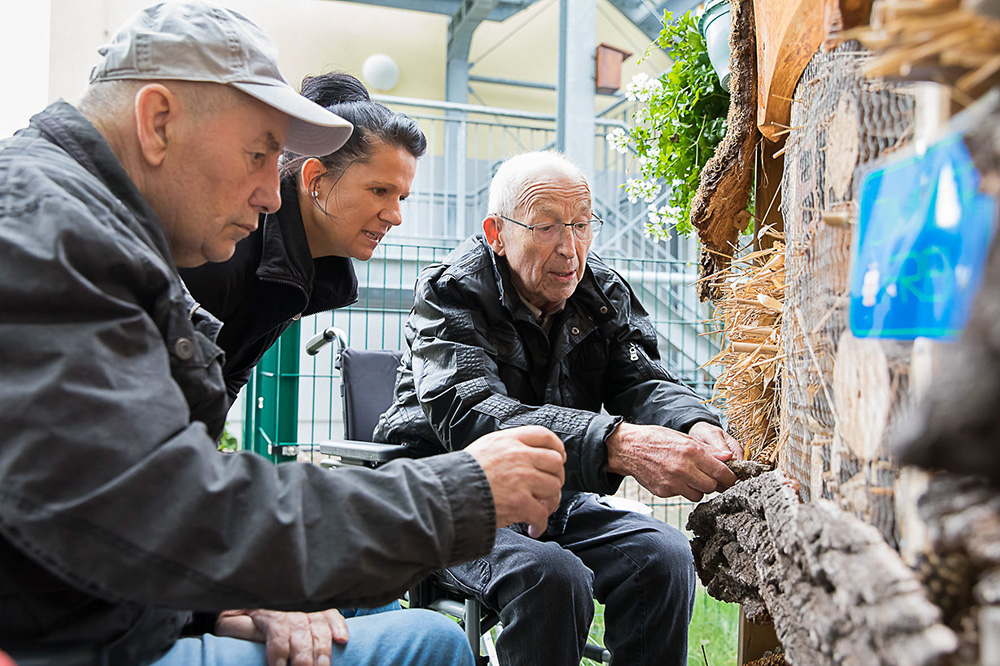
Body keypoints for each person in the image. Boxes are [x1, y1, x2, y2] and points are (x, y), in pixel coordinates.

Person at [0, 4, 566, 666]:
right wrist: (460, 491)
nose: (273, 194)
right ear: (158, 122)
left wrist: (223, 600)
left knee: (381, 616)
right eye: (260, 152)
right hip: (69, 635)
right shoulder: (49, 236)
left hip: (102, 597)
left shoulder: (79, 219)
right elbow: (157, 508)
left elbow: (119, 499)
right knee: (432, 642)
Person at [375, 150, 745, 666]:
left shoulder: (601, 292)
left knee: (664, 556)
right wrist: (614, 443)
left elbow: (640, 381)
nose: (571, 249)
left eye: (581, 225)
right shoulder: (450, 293)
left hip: (552, 498)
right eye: (547, 227)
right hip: (446, 498)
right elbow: (474, 414)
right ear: (496, 233)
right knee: (551, 576)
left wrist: (696, 423)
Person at [181, 72, 423, 405]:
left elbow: (229, 373)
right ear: (315, 179)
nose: (395, 217)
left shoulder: (306, 264)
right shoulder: (227, 244)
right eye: (379, 191)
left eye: (402, 198)